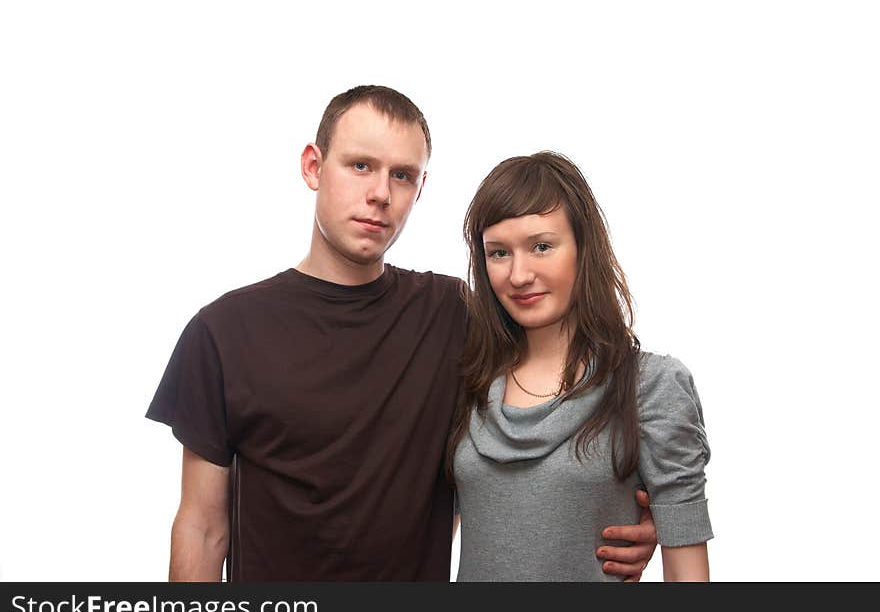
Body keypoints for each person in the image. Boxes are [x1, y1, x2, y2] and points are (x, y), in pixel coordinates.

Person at [146, 86, 659, 581]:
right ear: (312, 166)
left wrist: (652, 514)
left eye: (403, 176)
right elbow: (202, 526)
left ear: (420, 189)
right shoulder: (223, 331)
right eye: (360, 165)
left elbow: (568, 391)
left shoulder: (454, 313)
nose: (379, 194)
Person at [447, 151, 712, 581]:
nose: (518, 275)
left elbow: (689, 576)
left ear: (583, 247)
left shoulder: (651, 386)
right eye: (498, 253)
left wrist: (660, 526)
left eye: (541, 246)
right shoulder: (469, 381)